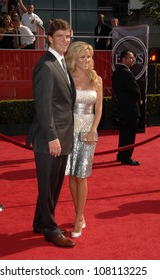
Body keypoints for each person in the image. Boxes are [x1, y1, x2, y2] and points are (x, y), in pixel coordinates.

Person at [26, 18, 76, 248]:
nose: (65, 40)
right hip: (51, 139)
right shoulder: (45, 66)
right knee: (48, 186)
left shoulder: (61, 62)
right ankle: (49, 228)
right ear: (49, 39)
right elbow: (44, 107)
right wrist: (52, 137)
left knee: (53, 185)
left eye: (68, 36)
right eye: (60, 36)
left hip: (62, 135)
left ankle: (39, 222)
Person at [65, 41, 103, 238]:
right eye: (82, 56)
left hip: (88, 131)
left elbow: (99, 110)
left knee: (82, 175)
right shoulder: (67, 78)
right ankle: (78, 212)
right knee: (71, 175)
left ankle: (79, 218)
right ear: (74, 58)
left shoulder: (97, 79)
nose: (87, 60)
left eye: (89, 56)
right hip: (69, 131)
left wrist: (92, 131)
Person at [112, 50, 142, 166]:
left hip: (122, 107)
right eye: (131, 58)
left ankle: (121, 155)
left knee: (124, 133)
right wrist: (139, 99)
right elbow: (135, 90)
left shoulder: (116, 72)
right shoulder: (126, 72)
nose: (133, 60)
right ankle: (126, 157)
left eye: (133, 58)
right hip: (130, 109)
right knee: (129, 134)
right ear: (123, 59)